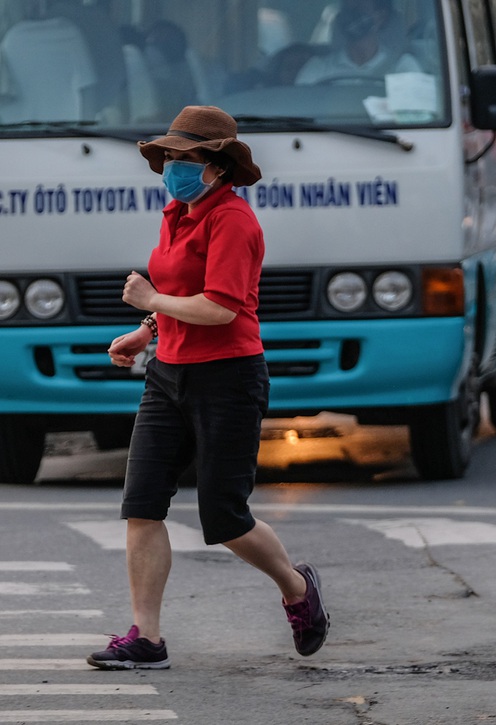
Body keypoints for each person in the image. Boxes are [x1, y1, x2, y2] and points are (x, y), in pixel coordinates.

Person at [88, 106, 330, 670]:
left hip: (229, 378)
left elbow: (220, 308)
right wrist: (145, 330)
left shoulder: (234, 222)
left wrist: (150, 303)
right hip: (167, 373)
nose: (173, 166)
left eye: (186, 157)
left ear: (218, 167)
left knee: (224, 519)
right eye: (169, 156)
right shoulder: (177, 211)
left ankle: (296, 587)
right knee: (142, 506)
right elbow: (181, 293)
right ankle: (146, 638)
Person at [295, 0, 421, 84]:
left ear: (381, 17)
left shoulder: (403, 66)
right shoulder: (317, 68)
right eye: (348, 10)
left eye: (359, 8)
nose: (351, 16)